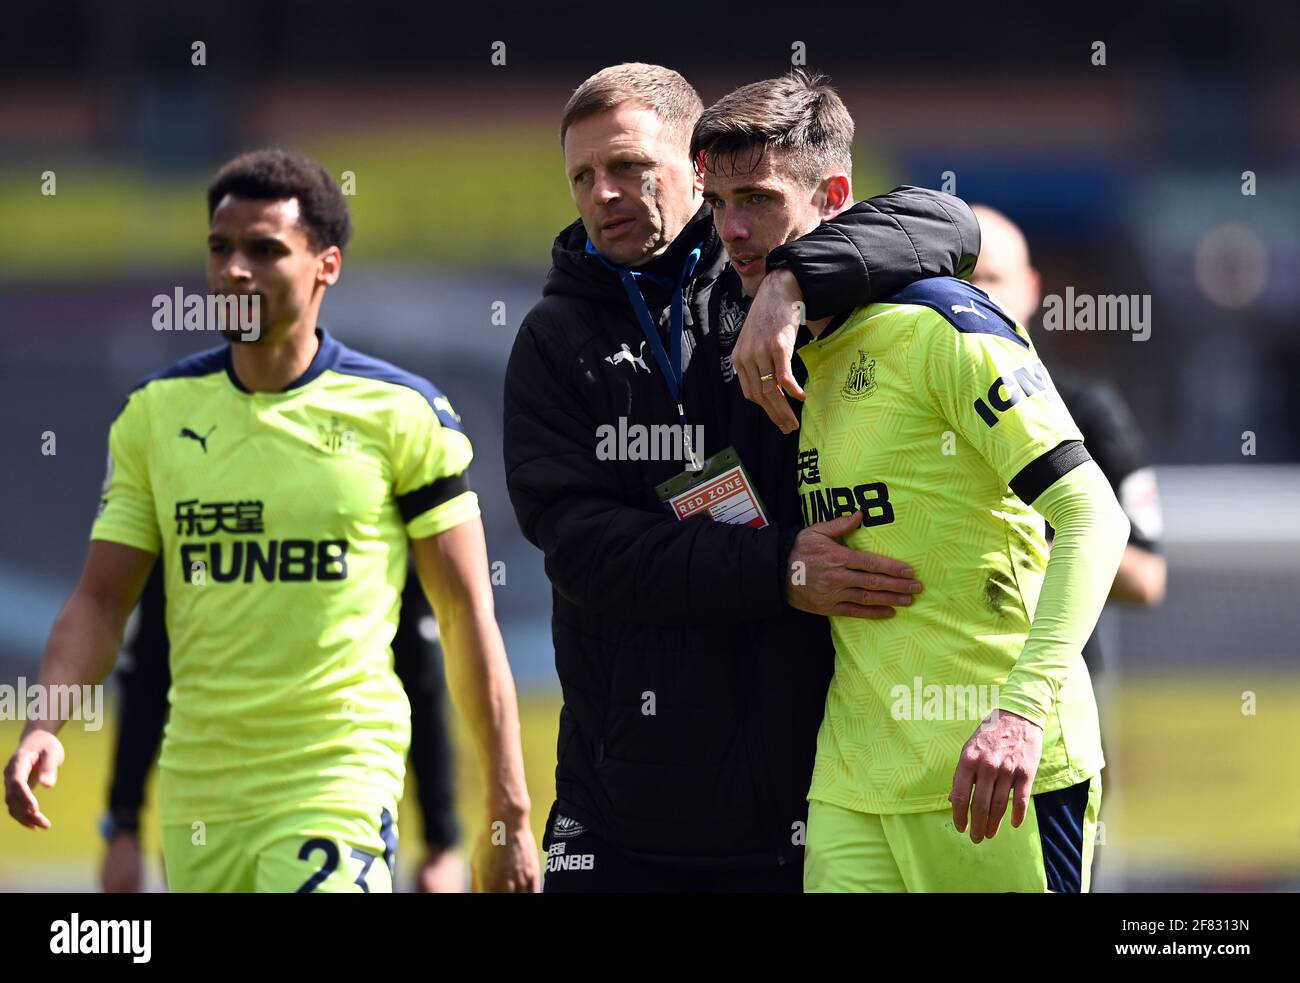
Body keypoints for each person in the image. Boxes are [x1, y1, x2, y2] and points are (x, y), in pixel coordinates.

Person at [5, 148, 537, 893]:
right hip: (201, 799)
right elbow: (100, 601)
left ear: (327, 266)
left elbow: (464, 614)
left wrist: (507, 809)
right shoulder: (155, 416)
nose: (234, 271)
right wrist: (44, 724)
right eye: (220, 249)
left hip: (338, 780)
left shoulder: (400, 412)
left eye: (264, 250)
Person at [504, 63, 979, 891]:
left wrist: (795, 283)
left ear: (697, 168)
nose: (603, 193)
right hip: (618, 793)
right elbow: (582, 552)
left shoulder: (766, 264)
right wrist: (779, 570)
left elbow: (949, 224)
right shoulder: (553, 337)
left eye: (629, 168)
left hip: (798, 779)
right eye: (583, 175)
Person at [704, 70, 1128, 892]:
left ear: (833, 193)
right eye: (717, 203)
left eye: (756, 198)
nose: (733, 228)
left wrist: (1019, 714)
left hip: (997, 771)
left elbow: (1092, 515)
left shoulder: (940, 324)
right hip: (853, 783)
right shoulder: (785, 351)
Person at [99, 564, 467, 893]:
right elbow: (148, 663)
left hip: (330, 790)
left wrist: (442, 838)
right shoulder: (187, 494)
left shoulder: (370, 499)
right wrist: (123, 823)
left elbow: (421, 669)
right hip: (208, 807)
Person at [968, 205, 1167, 655]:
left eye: (992, 279)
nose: (975, 296)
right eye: (961, 280)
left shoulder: (1086, 408)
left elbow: (1146, 579)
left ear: (1032, 289)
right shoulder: (908, 400)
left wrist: (1008, 540)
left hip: (1055, 696)